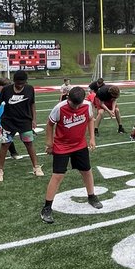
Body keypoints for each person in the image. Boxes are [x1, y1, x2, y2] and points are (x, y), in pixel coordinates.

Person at [40, 85, 102, 220]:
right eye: (74, 104)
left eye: (78, 105)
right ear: (68, 99)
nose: (76, 107)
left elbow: (90, 119)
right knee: (57, 176)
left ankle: (91, 196)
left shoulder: (87, 105)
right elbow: (49, 124)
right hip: (62, 146)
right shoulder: (59, 108)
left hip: (80, 145)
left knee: (87, 171)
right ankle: (47, 207)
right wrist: (49, 144)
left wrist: (92, 138)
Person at [0, 70, 44, 181]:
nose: (20, 86)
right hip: (8, 122)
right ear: (14, 81)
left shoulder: (30, 89)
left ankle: (36, 167)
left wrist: (34, 119)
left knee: (29, 144)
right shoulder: (6, 90)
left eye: (22, 83)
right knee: (5, 145)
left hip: (25, 122)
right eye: (18, 83)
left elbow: (32, 104)